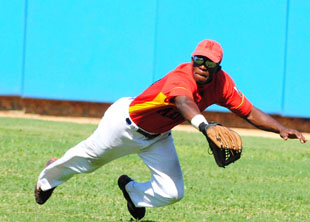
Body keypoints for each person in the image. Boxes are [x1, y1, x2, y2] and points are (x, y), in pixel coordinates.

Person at [34, 39, 307, 220]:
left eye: (209, 62)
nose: (202, 65)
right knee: (87, 161)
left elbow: (248, 110)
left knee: (173, 193)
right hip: (125, 125)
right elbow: (184, 101)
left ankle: (133, 194)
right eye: (198, 59)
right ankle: (47, 178)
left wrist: (281, 129)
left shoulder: (222, 83)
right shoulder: (181, 76)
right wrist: (205, 126)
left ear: (218, 67)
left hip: (158, 137)